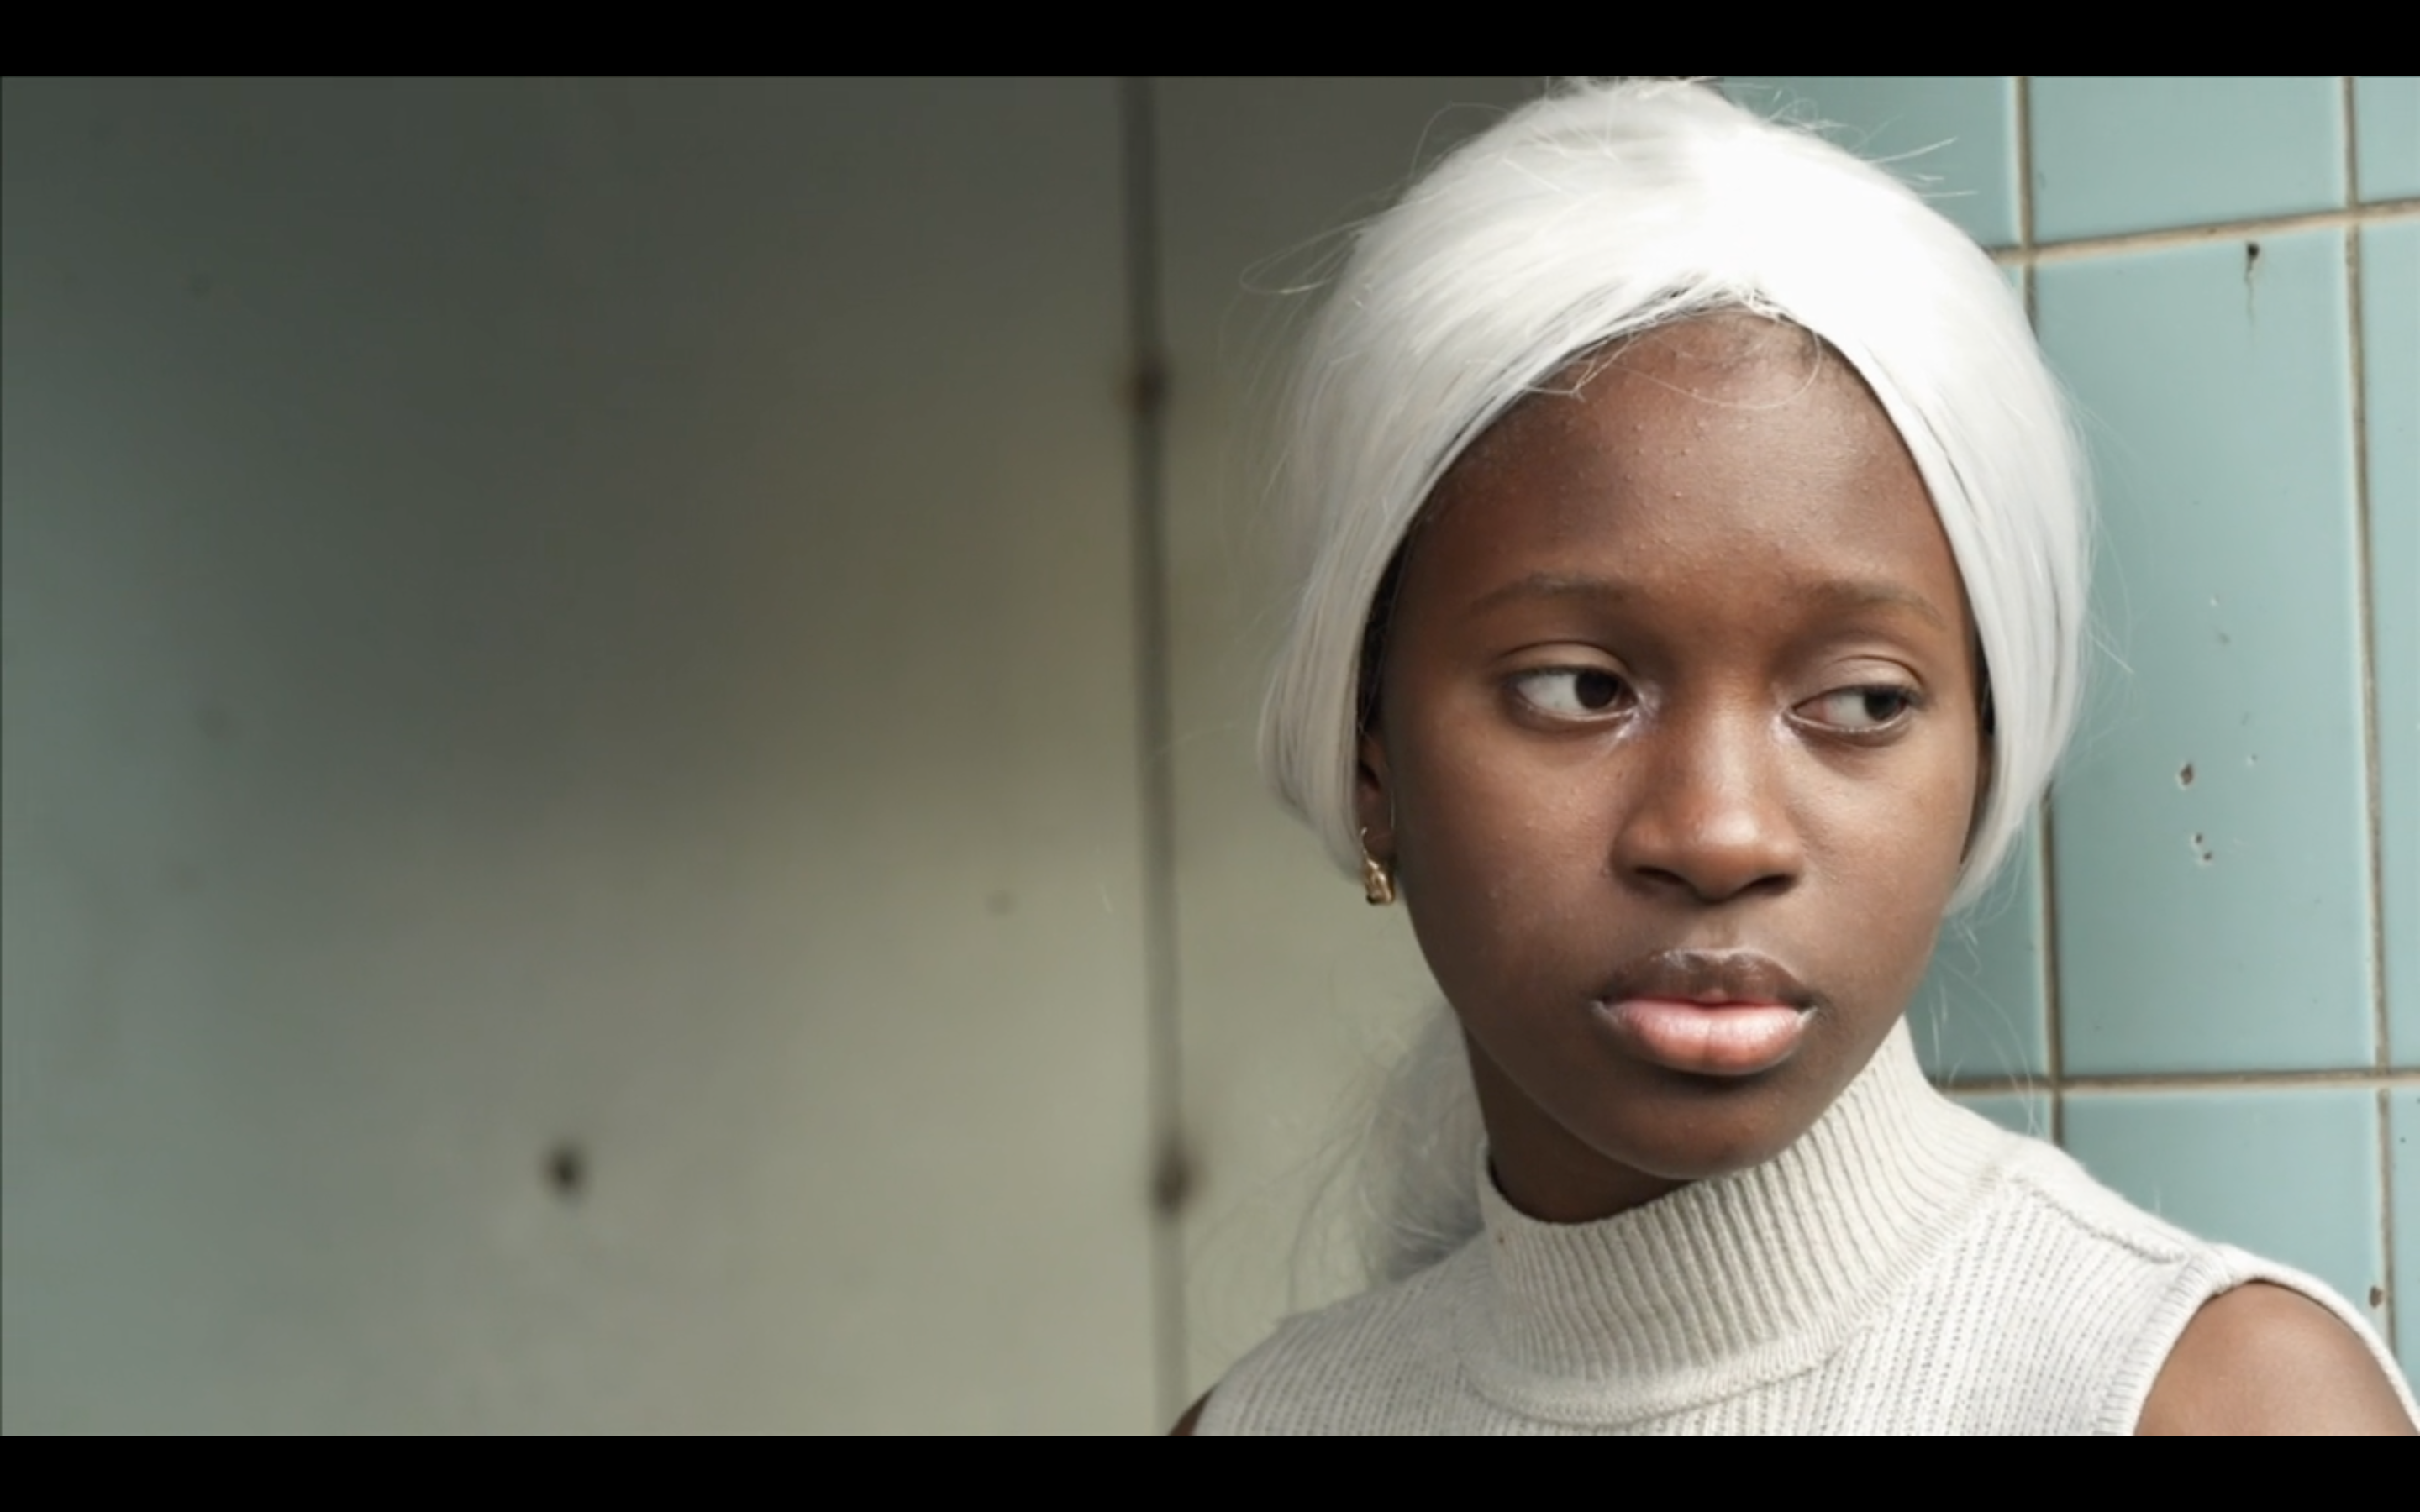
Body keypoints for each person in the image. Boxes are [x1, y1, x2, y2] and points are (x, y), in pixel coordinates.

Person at [1175, 79, 2416, 1436]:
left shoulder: (2206, 1402)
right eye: (1581, 689)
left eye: (1865, 703)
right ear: (1369, 759)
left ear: (1983, 762)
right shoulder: (1259, 1421)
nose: (1721, 834)